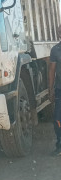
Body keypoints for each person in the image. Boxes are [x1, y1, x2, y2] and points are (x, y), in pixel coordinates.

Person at [49, 25, 61, 155]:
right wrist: (50, 89)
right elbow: (51, 70)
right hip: (60, 89)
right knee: (58, 118)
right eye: (59, 32)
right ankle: (60, 145)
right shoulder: (55, 50)